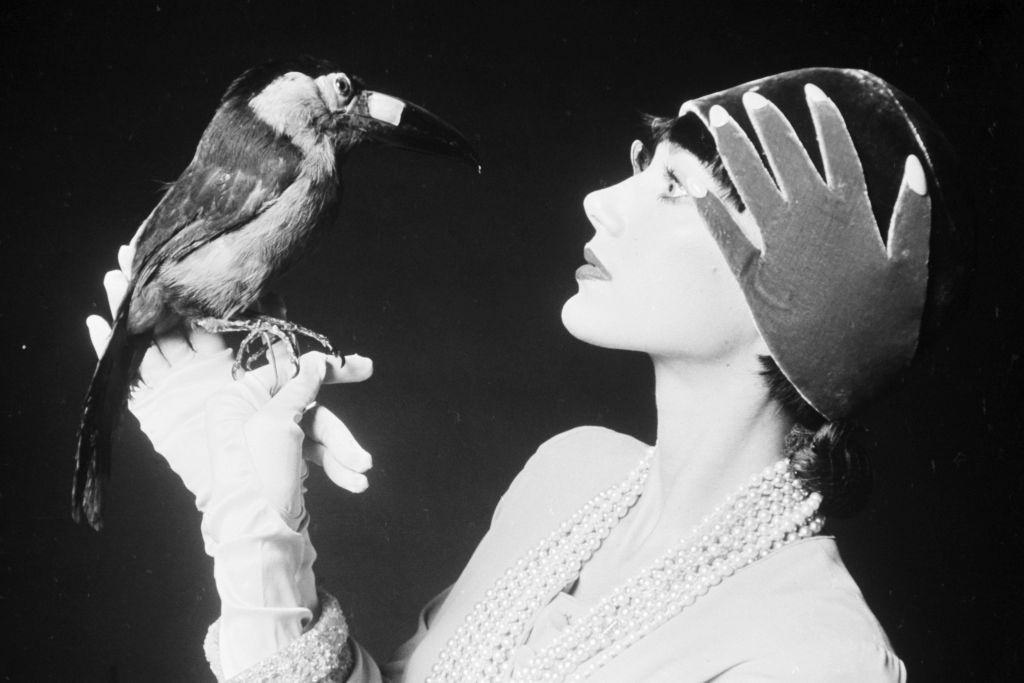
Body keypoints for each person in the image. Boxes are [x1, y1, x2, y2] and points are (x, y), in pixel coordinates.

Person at [85, 67, 970, 681]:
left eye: (674, 189)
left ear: (797, 298)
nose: (599, 200)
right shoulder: (571, 472)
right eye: (639, 167)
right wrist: (257, 530)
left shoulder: (818, 658)